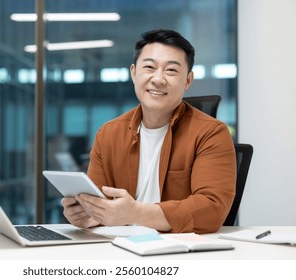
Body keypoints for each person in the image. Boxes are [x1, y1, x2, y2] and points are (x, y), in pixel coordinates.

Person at [61, 29, 236, 234]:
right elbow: (98, 203)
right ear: (134, 73)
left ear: (188, 81)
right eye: (149, 67)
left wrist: (135, 213)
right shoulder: (108, 134)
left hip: (179, 251)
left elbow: (212, 209)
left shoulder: (212, 133)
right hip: (119, 248)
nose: (158, 79)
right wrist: (89, 215)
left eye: (171, 70)